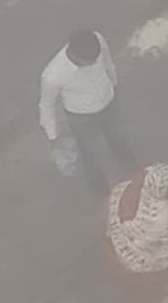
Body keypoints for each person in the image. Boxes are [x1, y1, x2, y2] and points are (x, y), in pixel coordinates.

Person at [38, 31, 132, 192]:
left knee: (119, 138)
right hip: (82, 117)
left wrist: (114, 84)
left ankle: (132, 172)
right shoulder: (52, 76)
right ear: (73, 55)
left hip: (108, 102)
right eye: (88, 62)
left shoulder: (98, 40)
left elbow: (108, 64)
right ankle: (101, 192)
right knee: (91, 155)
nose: (93, 63)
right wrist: (53, 137)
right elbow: (46, 106)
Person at [103, 164, 168, 303]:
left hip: (117, 253)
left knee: (140, 293)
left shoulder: (133, 188)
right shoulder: (162, 216)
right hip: (148, 266)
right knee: (157, 295)